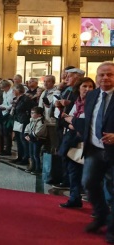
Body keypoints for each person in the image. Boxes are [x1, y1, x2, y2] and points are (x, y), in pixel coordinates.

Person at [69, 62, 114, 243]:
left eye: (109, 74)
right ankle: (101, 215)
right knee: (88, 183)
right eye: (101, 75)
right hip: (94, 149)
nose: (105, 78)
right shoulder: (93, 95)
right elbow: (89, 119)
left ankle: (112, 229)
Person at [59, 77, 95, 208]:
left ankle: (97, 206)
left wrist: (72, 120)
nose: (87, 89)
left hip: (88, 142)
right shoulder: (74, 102)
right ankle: (74, 198)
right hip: (72, 141)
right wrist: (71, 123)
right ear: (78, 88)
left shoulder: (94, 103)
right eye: (84, 86)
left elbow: (87, 124)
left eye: (90, 87)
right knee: (73, 172)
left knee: (89, 177)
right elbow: (62, 119)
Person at [10, 84, 36, 166]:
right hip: (17, 120)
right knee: (18, 139)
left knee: (23, 139)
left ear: (18, 90)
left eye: (14, 90)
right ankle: (19, 156)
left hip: (24, 120)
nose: (13, 92)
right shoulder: (17, 99)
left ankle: (26, 158)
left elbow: (28, 109)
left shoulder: (25, 99)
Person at [24, 106, 47, 174]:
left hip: (38, 139)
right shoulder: (32, 120)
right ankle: (32, 166)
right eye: (31, 113)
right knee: (31, 154)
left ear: (39, 114)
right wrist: (26, 134)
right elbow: (28, 127)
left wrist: (30, 136)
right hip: (32, 139)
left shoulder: (41, 122)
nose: (31, 114)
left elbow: (38, 131)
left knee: (36, 154)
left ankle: (38, 168)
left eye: (33, 113)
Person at [0, 80, 14, 156]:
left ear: (7, 86)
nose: (2, 89)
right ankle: (1, 148)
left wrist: (6, 108)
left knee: (7, 132)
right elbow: (5, 102)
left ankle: (8, 149)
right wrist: (0, 106)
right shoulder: (5, 93)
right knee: (2, 132)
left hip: (9, 113)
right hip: (3, 112)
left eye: (3, 88)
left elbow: (12, 104)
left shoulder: (12, 93)